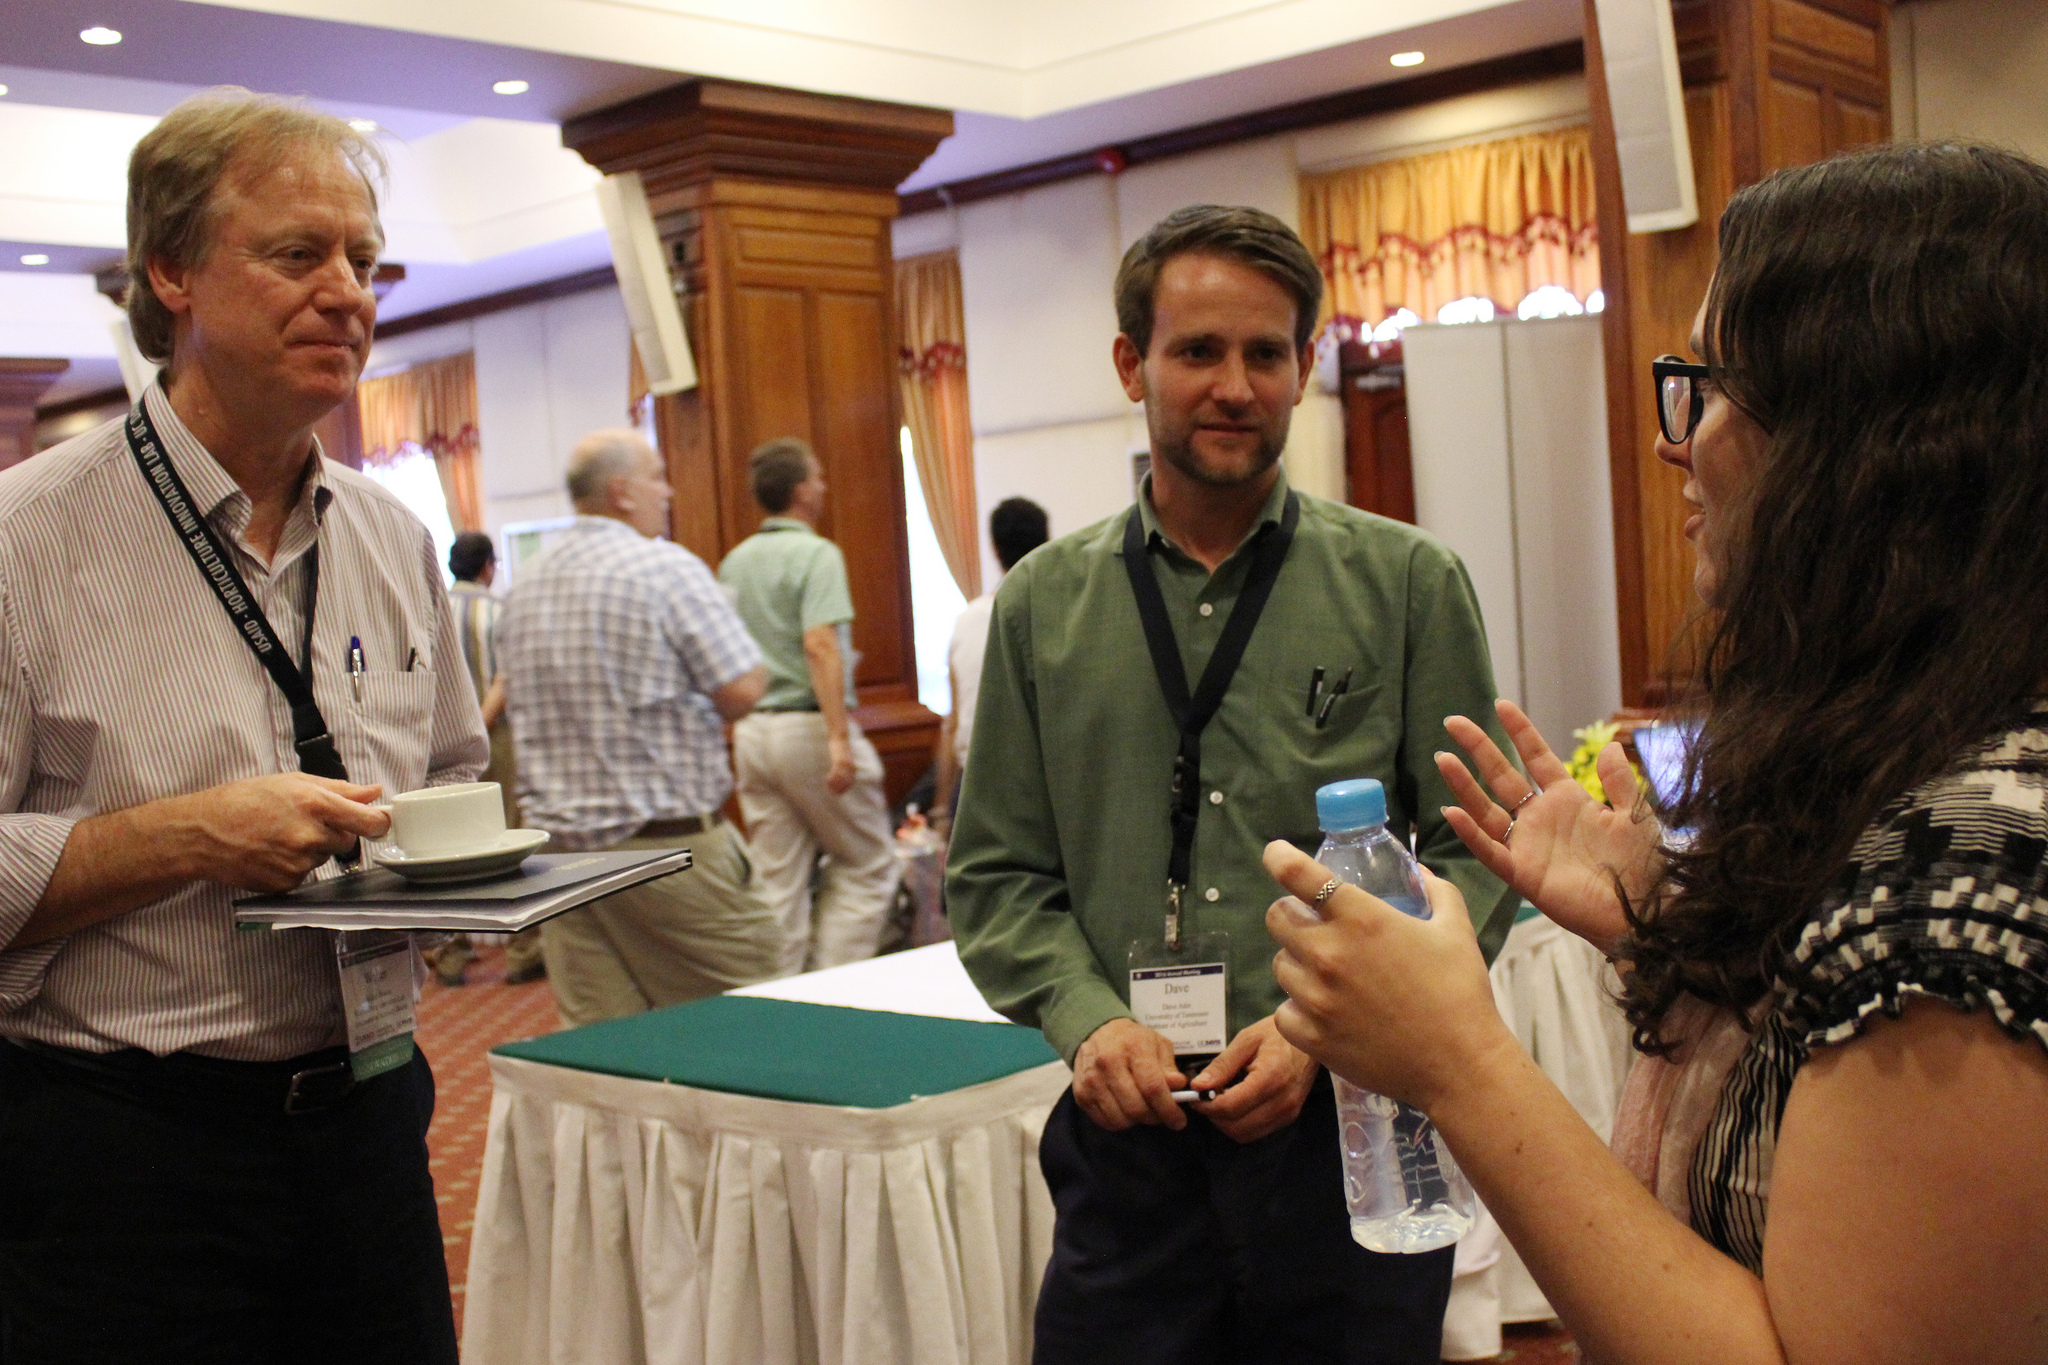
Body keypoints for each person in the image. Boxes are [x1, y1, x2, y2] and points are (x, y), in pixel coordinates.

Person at [1263, 141, 2048, 1365]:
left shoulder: (1974, 852)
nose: (1679, 441)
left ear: (1875, 440)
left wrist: (1459, 1063)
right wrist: (1656, 930)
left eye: (1718, 385)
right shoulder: (1936, 743)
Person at [945, 204, 1517, 1364]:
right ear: (1131, 364)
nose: (1233, 385)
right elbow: (999, 876)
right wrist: (1086, 1017)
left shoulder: (1406, 583)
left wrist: (1328, 1025)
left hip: (1349, 1131)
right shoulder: (1041, 609)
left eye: (1265, 353)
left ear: (1303, 368)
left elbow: (1472, 849)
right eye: (1197, 351)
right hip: (1128, 1133)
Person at [0, 90, 486, 1361]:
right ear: (170, 273)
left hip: (373, 1123)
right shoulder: (25, 542)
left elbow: (450, 773)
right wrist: (185, 838)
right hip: (122, 1153)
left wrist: (472, 885)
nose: (348, 295)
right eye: (297, 255)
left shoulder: (391, 539)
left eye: (365, 262)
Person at [498, 430, 779, 1025]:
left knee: (607, 1057)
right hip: (663, 850)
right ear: (622, 492)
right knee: (756, 1027)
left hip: (559, 859)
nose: (669, 490)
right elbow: (741, 689)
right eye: (657, 475)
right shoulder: (663, 567)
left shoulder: (527, 584)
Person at [719, 438, 901, 977]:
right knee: (868, 865)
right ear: (801, 490)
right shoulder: (818, 553)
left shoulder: (733, 562)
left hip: (752, 735)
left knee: (777, 880)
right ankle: (833, 991)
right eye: (818, 477)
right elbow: (820, 643)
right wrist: (839, 739)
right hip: (808, 728)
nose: (823, 486)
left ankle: (775, 1000)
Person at [424, 530, 546, 986]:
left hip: (435, 746)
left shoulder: (429, 609)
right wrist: (476, 730)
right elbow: (505, 680)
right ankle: (523, 950)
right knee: (513, 840)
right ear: (489, 567)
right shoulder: (499, 611)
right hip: (493, 738)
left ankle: (452, 953)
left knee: (443, 850)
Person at [930, 496, 1048, 839]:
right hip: (1033, 786)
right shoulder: (1055, 615)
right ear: (1048, 543)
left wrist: (940, 809)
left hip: (971, 785)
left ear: (995, 550)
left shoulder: (966, 621)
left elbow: (951, 725)